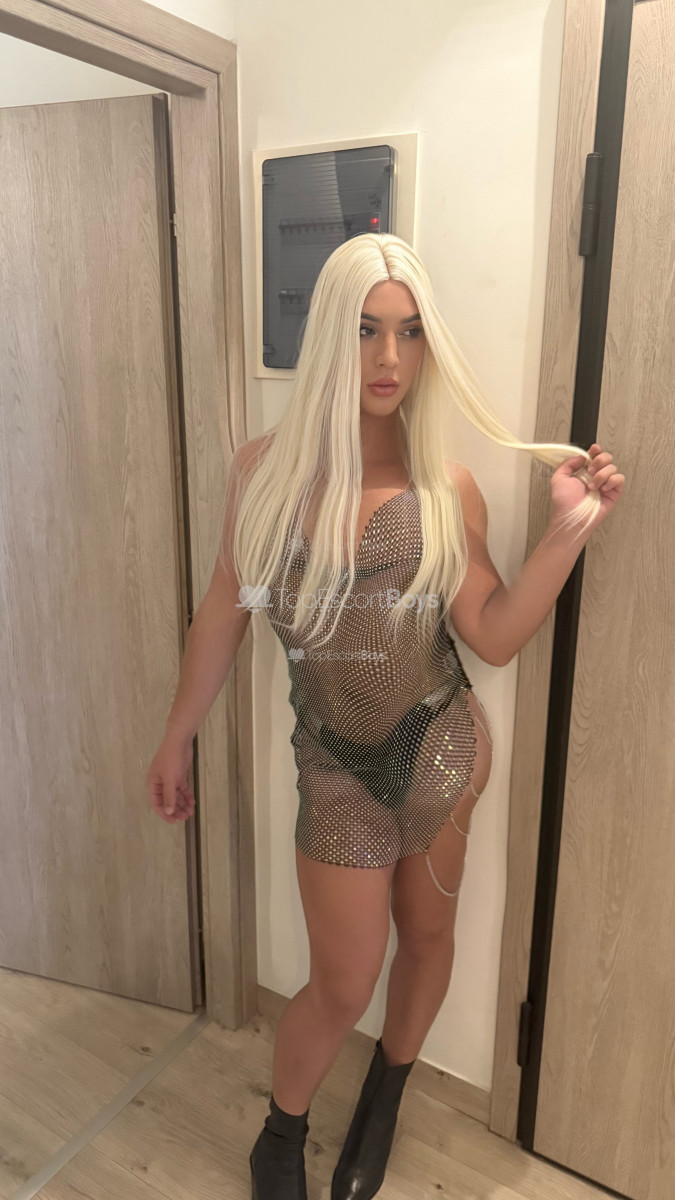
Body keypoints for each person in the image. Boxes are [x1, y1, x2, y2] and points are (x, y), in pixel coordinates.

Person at [146, 233, 624, 1200]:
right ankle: (280, 1136)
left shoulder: (442, 487)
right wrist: (177, 734)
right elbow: (221, 615)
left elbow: (491, 636)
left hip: (441, 752)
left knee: (428, 936)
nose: (389, 358)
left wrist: (568, 529)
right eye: (367, 330)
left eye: (408, 333)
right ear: (330, 331)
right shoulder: (261, 474)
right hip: (333, 766)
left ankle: (385, 1096)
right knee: (342, 980)